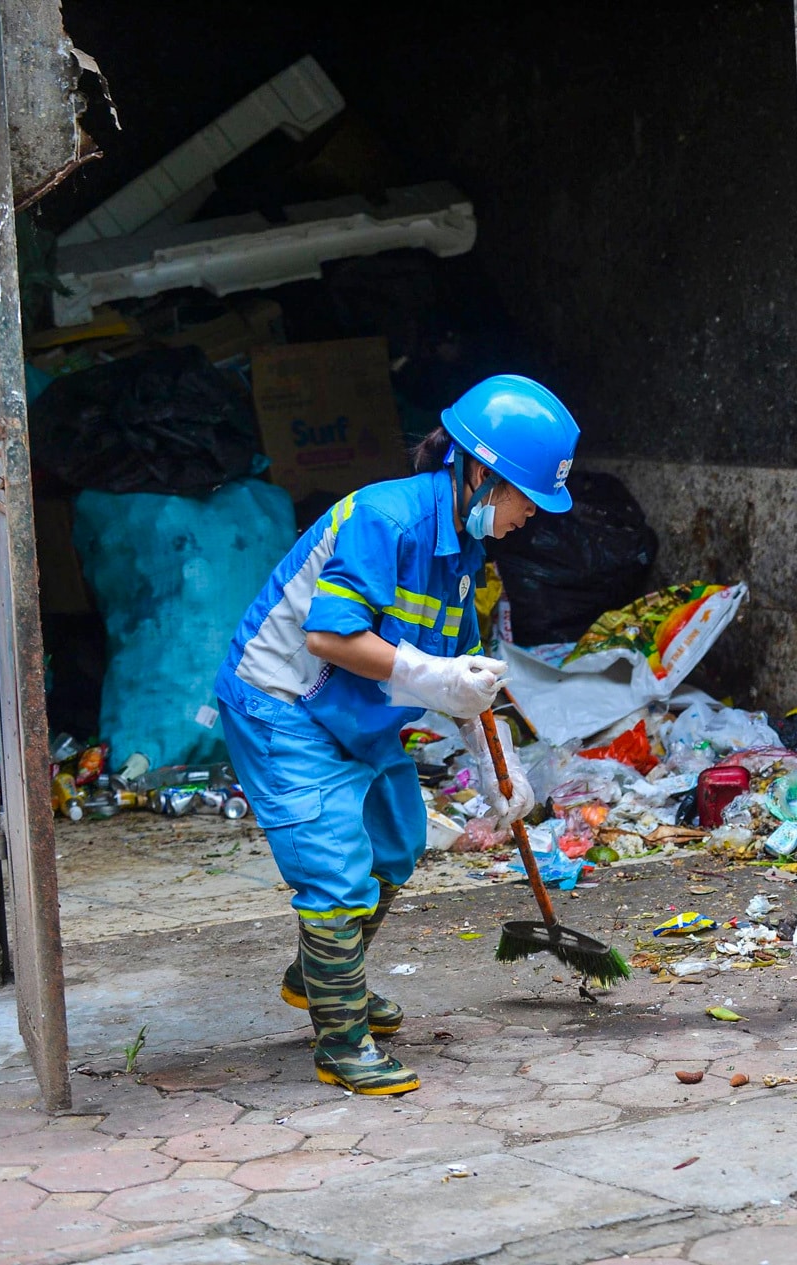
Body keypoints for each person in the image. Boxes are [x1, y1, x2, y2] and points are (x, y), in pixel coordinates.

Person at [215, 374, 579, 1094]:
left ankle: (320, 975)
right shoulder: (388, 521)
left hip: (355, 707)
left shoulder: (463, 556)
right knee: (335, 865)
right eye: (526, 498)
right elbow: (329, 634)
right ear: (480, 472)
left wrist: (496, 760)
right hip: (281, 702)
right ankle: (341, 1041)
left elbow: (467, 676)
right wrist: (429, 676)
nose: (530, 517)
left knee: (397, 840)